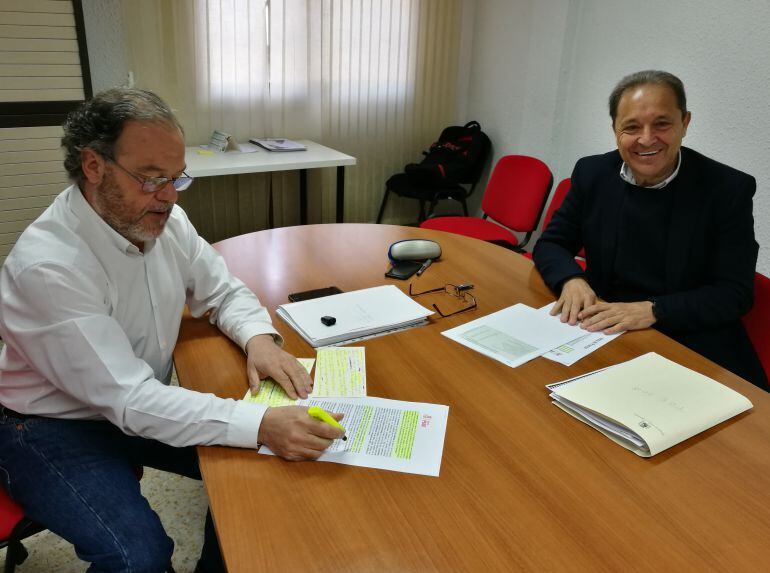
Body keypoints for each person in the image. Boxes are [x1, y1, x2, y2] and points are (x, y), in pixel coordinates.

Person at [0, 88, 345, 573]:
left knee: (258, 465)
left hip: (136, 402)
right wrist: (262, 422)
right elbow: (129, 399)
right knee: (137, 557)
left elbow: (223, 291)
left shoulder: (164, 220)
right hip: (46, 426)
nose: (168, 195)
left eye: (176, 177)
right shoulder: (48, 267)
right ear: (94, 166)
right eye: (150, 179)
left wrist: (259, 340)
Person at [533, 70, 767, 390]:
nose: (646, 139)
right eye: (631, 127)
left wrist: (654, 310)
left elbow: (734, 293)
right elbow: (551, 243)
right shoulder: (593, 173)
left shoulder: (727, 190)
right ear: (615, 131)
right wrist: (571, 279)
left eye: (662, 124)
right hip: (604, 334)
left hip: (689, 343)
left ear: (685, 123)